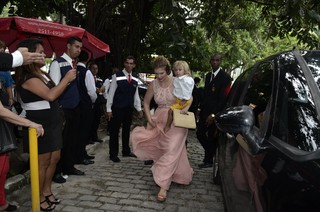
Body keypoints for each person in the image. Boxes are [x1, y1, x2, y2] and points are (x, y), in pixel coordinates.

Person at [15, 38, 77, 211]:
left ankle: (47, 190)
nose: (44, 54)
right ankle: (39, 195)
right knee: (42, 162)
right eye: (40, 52)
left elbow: (54, 94)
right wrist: (66, 79)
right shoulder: (27, 77)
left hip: (52, 119)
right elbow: (50, 95)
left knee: (54, 158)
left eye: (44, 51)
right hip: (39, 121)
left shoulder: (43, 73)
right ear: (30, 55)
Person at [131, 56, 194, 202]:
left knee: (172, 148)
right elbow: (146, 103)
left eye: (162, 73)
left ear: (168, 71)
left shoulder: (177, 80)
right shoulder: (153, 84)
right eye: (156, 73)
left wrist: (185, 109)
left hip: (177, 119)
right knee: (168, 149)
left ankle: (163, 185)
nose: (159, 76)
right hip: (159, 119)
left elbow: (189, 98)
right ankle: (183, 173)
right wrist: (149, 119)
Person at [49, 36, 84, 184]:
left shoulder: (74, 64)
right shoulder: (57, 63)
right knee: (60, 141)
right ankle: (56, 172)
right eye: (76, 47)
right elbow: (54, 88)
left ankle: (68, 167)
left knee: (71, 139)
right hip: (63, 108)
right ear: (68, 46)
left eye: (80, 48)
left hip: (75, 107)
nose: (79, 50)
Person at [197, 53, 232, 168]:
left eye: (217, 60)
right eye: (213, 60)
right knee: (200, 133)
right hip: (204, 112)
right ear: (210, 61)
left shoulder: (225, 77)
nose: (215, 62)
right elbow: (206, 95)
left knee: (212, 137)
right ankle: (212, 153)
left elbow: (223, 99)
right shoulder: (208, 76)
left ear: (220, 61)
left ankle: (208, 161)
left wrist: (213, 115)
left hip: (216, 113)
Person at [106, 56, 143, 162]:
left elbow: (135, 94)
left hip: (128, 108)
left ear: (134, 65)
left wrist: (138, 108)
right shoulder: (116, 76)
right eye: (127, 63)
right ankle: (113, 154)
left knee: (127, 130)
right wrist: (109, 109)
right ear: (124, 64)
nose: (129, 65)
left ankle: (126, 151)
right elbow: (111, 93)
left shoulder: (135, 78)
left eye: (131, 63)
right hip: (117, 108)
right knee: (114, 131)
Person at [76, 51, 96, 165]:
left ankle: (82, 153)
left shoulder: (74, 70)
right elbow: (92, 91)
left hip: (76, 104)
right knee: (84, 131)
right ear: (87, 60)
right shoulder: (86, 72)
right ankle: (81, 155)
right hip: (86, 104)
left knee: (78, 130)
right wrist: (92, 101)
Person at [164, 60, 194, 133]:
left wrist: (185, 99)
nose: (177, 72)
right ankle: (173, 126)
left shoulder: (187, 80)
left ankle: (167, 126)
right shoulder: (178, 79)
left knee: (170, 111)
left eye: (180, 70)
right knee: (175, 112)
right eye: (176, 70)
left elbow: (188, 90)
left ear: (185, 70)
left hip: (184, 100)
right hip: (179, 99)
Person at [89, 62, 105, 143]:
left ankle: (95, 136)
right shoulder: (88, 78)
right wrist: (97, 90)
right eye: (93, 68)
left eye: (96, 68)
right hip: (91, 103)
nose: (95, 70)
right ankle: (89, 138)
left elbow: (102, 89)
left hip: (98, 102)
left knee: (97, 120)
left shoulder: (99, 79)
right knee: (90, 121)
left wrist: (101, 90)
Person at [0, 41, 15, 108]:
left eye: (2, 52)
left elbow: (8, 85)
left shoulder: (5, 70)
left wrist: (11, 98)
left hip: (3, 97)